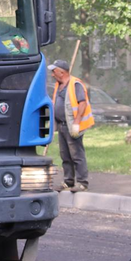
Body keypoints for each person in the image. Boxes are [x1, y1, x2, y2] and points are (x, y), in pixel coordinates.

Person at [49, 59, 94, 192]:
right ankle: (68, 181)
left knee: (77, 155)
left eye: (54, 71)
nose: (52, 74)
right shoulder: (59, 85)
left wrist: (76, 122)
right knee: (65, 155)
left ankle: (82, 183)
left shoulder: (76, 85)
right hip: (62, 126)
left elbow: (82, 103)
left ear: (62, 72)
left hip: (73, 126)